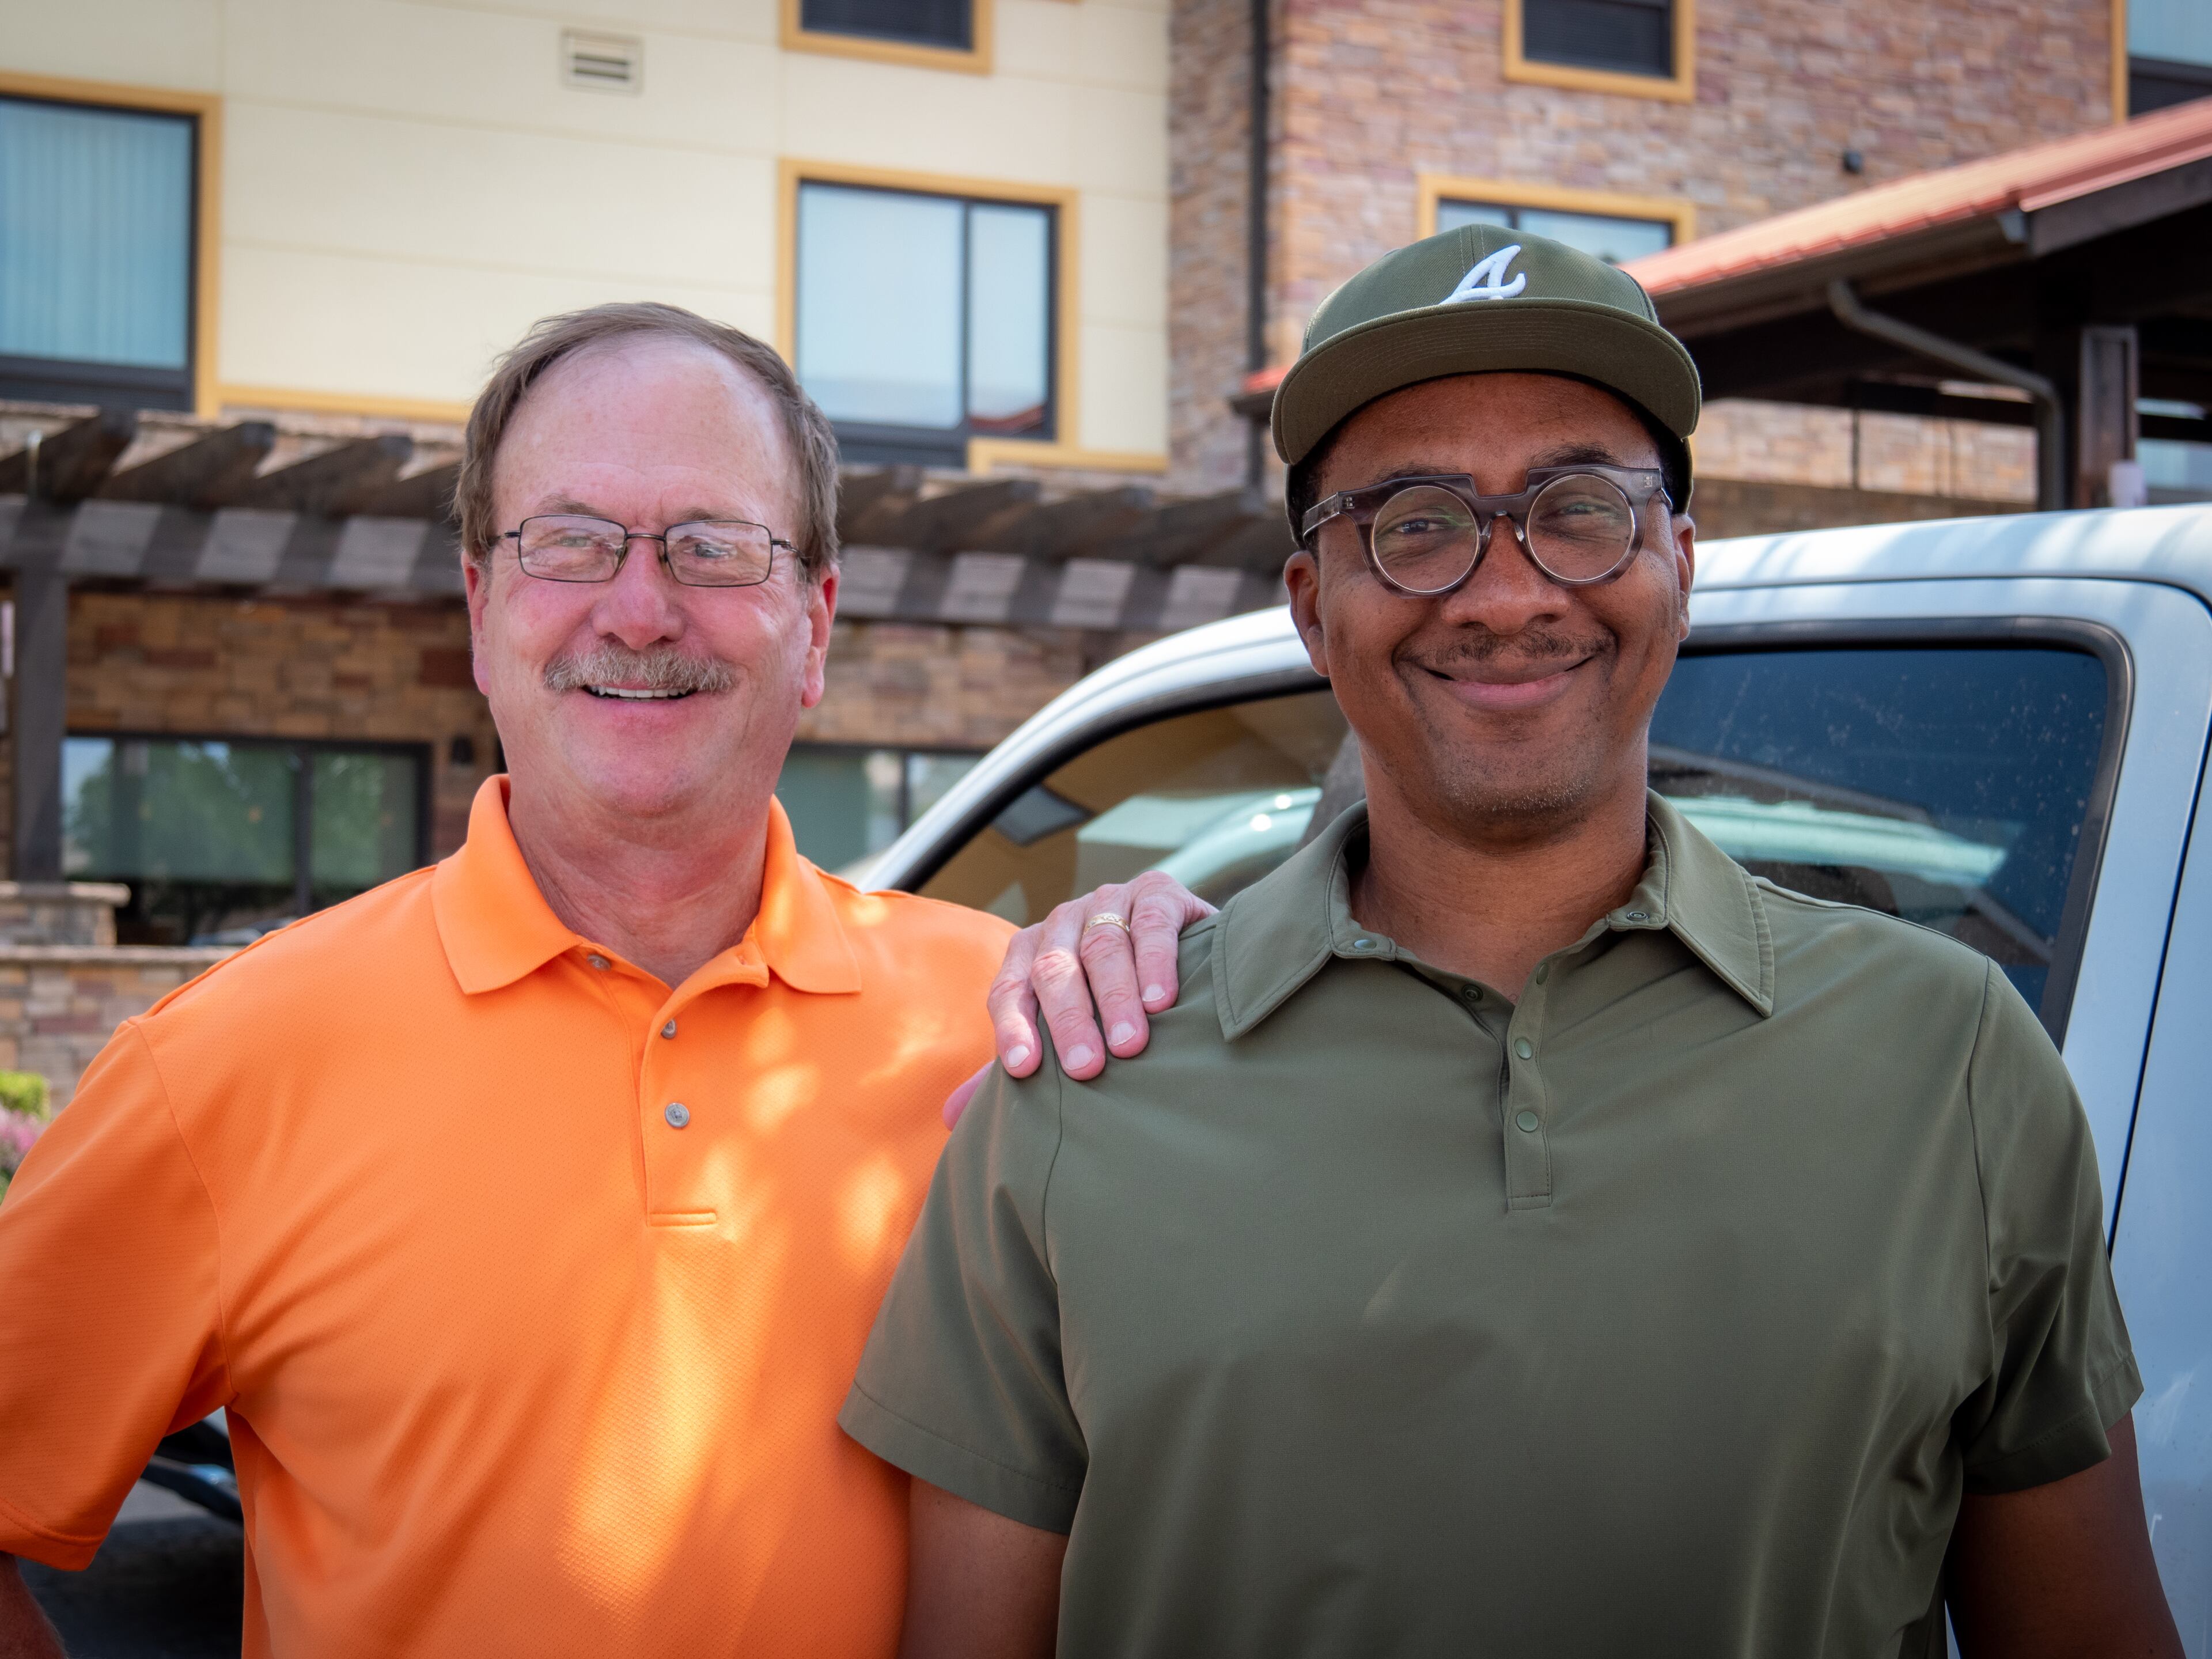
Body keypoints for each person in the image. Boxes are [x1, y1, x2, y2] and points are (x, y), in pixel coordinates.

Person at [842, 226, 2186, 1657]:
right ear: (1312, 606)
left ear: (1679, 559)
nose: (1505, 593)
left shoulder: (1958, 1057)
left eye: (1582, 507)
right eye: (1414, 521)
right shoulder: (1076, 1088)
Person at [0, 302, 1191, 1658]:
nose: (638, 610)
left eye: (712, 546)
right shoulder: (225, 1060)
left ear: (814, 625)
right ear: (480, 604)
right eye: (570, 542)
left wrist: (1199, 981)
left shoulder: (1017, 1028)